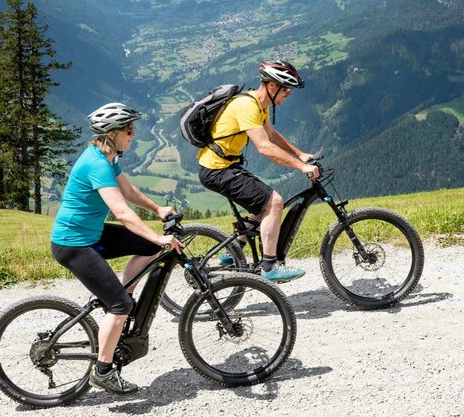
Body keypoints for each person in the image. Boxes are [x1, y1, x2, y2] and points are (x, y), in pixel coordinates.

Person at [51, 102, 183, 395]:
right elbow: (122, 212)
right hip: (73, 244)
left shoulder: (108, 157)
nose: (133, 134)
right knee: (120, 305)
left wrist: (157, 208)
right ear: (110, 133)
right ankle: (103, 370)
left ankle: (122, 297)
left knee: (147, 247)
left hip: (91, 234)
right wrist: (160, 237)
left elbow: (128, 190)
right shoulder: (96, 164)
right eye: (128, 129)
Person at [197, 59, 320, 282]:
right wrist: (302, 167)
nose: (289, 95)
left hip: (225, 166)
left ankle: (230, 254)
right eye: (286, 89)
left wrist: (300, 154)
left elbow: (271, 135)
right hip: (216, 170)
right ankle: (269, 268)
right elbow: (265, 147)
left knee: (263, 208)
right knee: (274, 202)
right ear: (271, 86)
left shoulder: (258, 105)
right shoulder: (247, 106)